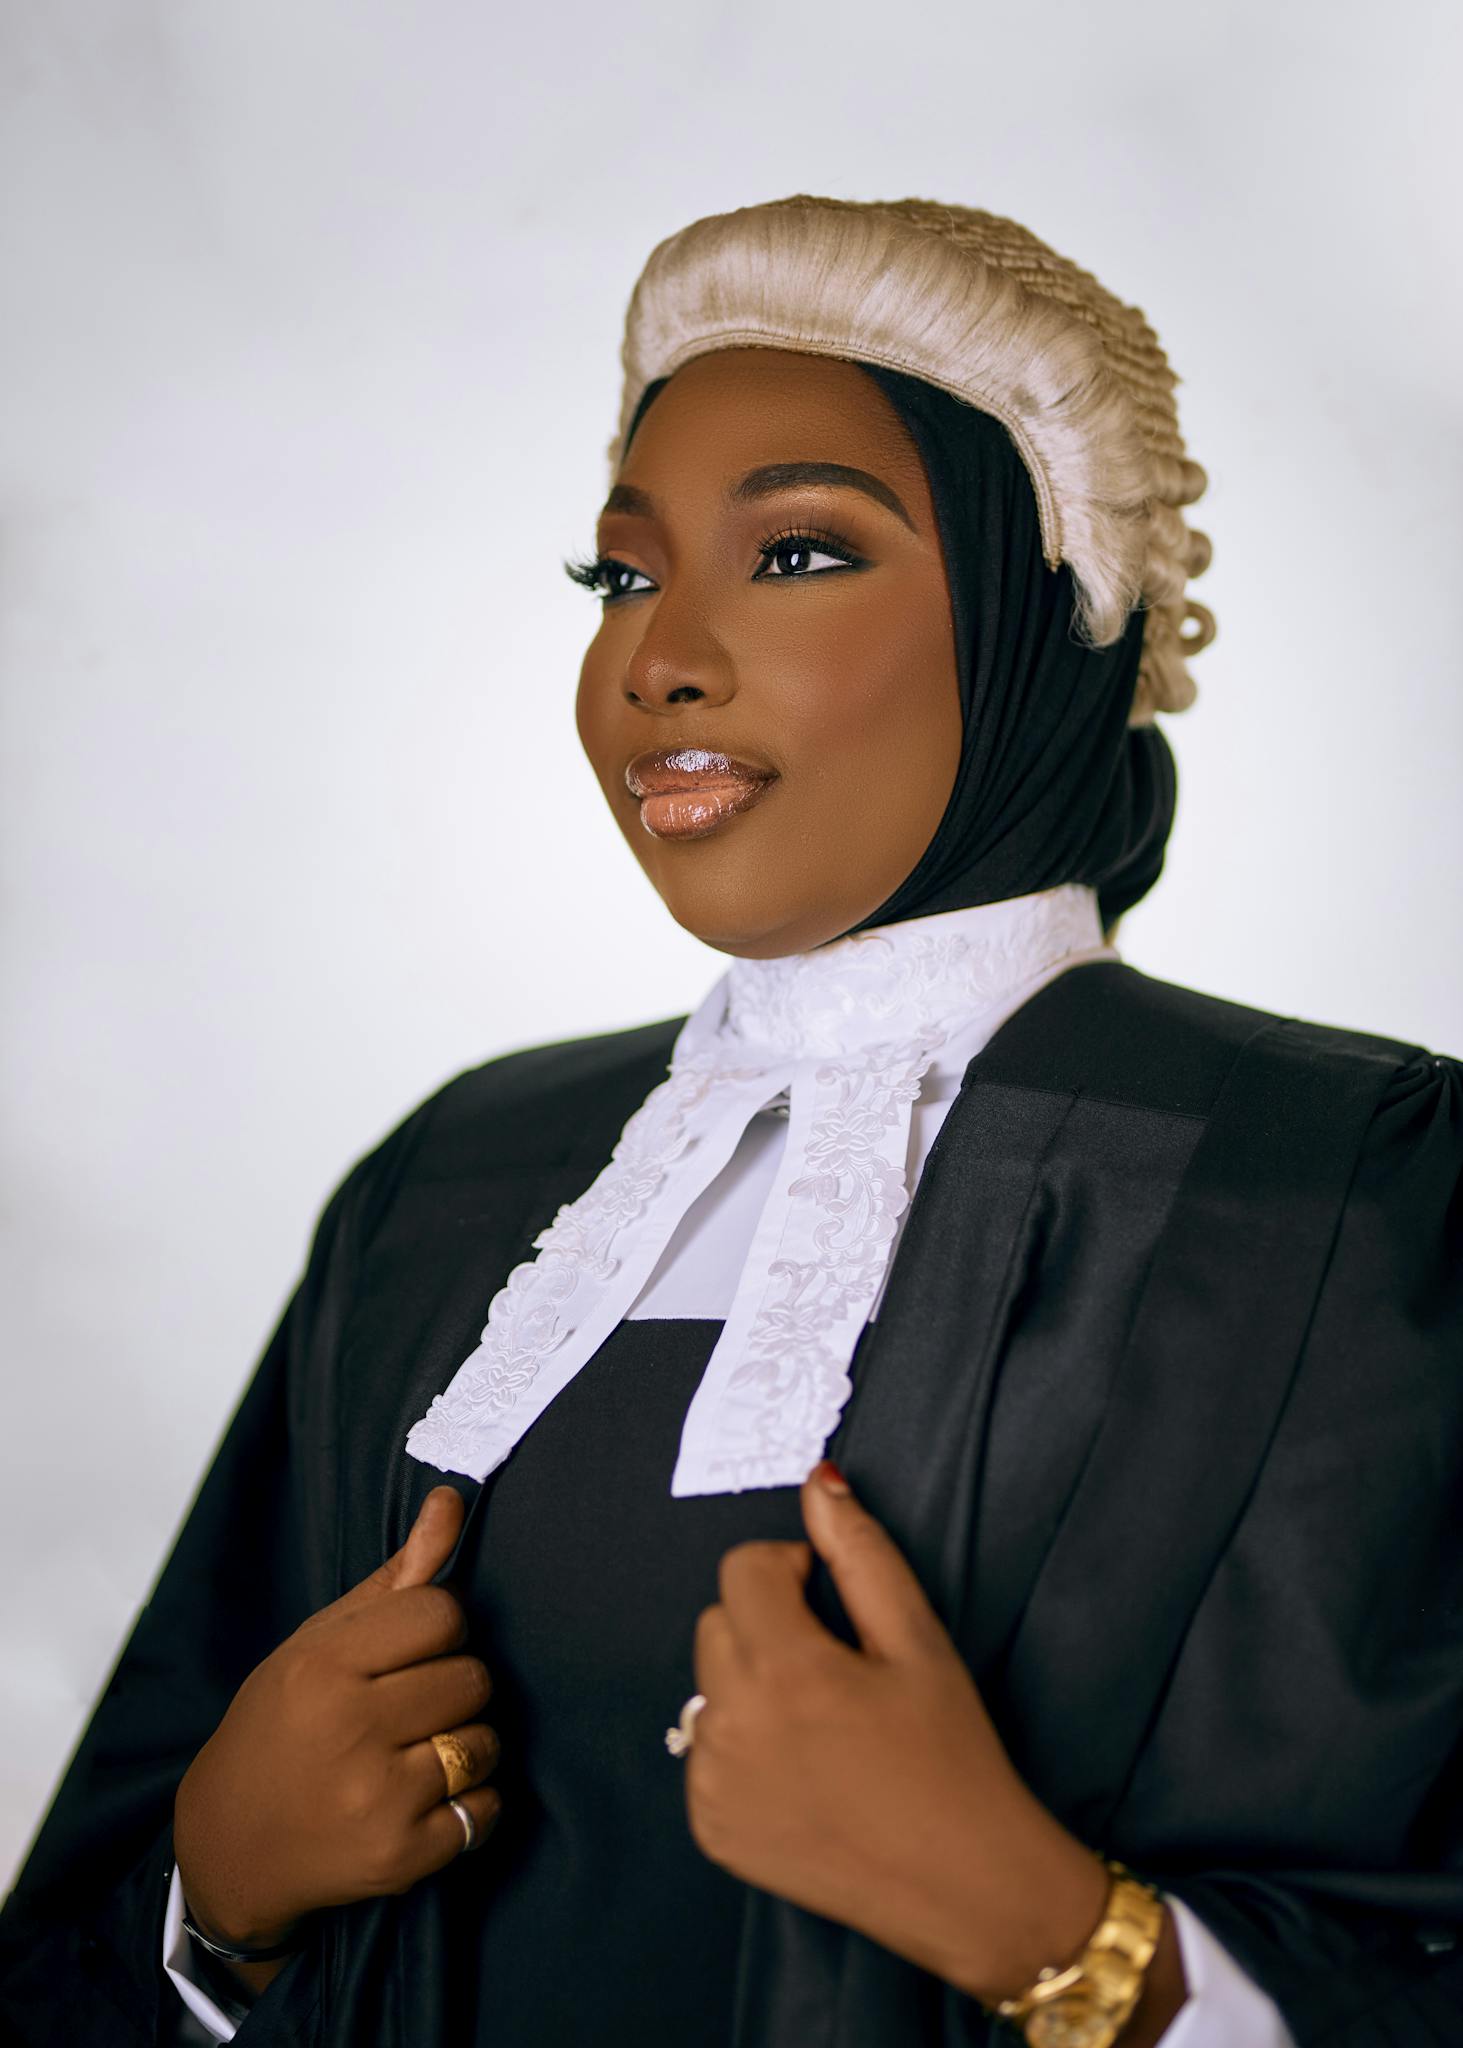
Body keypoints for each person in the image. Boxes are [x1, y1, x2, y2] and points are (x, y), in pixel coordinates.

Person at [1, 192, 1459, 2048]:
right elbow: (100, 1933)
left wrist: (1057, 1934)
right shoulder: (465, 1184)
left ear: (1037, 613)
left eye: (797, 558)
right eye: (621, 574)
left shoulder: (1344, 1191)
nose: (658, 655)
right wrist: (217, 1912)